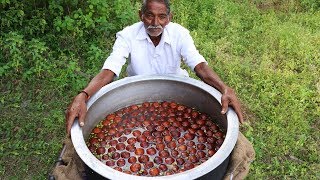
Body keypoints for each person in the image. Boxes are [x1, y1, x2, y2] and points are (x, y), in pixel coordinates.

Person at [66, 0, 244, 135]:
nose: (155, 23)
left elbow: (199, 65)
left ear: (169, 18)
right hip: (137, 94)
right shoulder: (127, 35)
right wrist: (84, 94)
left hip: (176, 90)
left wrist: (224, 88)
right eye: (149, 15)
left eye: (162, 17)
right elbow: (110, 70)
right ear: (140, 15)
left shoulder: (180, 34)